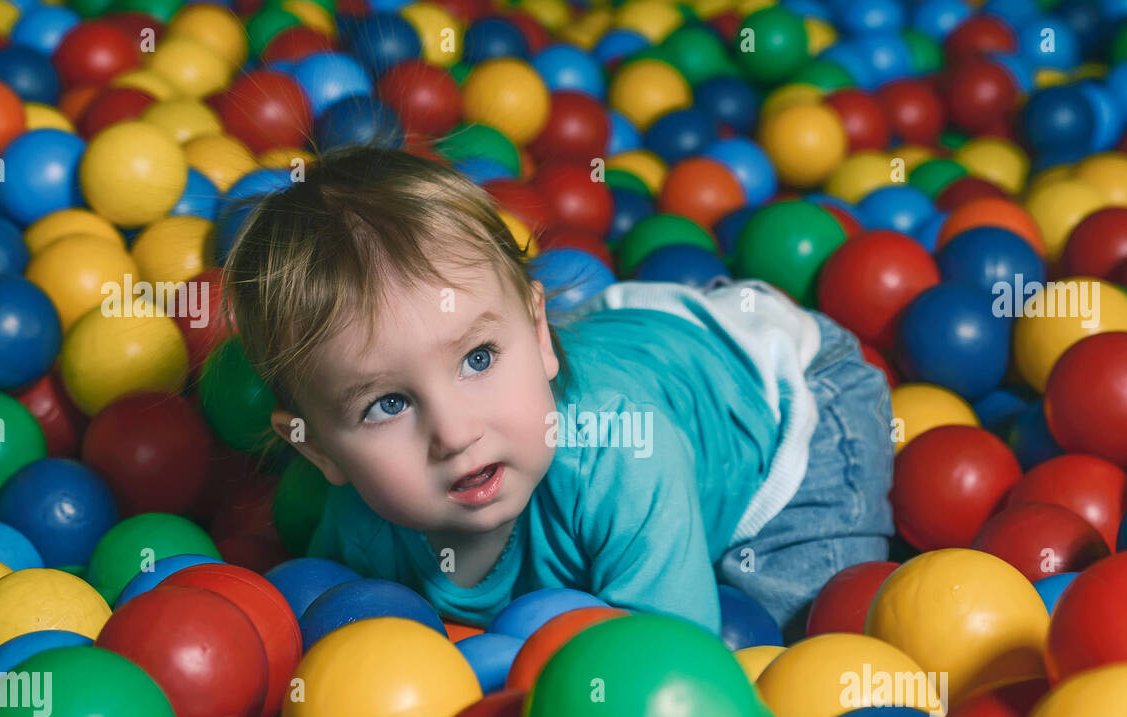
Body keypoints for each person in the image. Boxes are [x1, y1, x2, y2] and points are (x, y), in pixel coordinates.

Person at [225, 146, 894, 641]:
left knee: (800, 624)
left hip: (783, 390)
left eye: (477, 359)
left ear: (540, 336)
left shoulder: (624, 459)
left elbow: (670, 663)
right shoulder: (361, 529)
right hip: (629, 345)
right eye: (388, 405)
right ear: (316, 451)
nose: (455, 433)